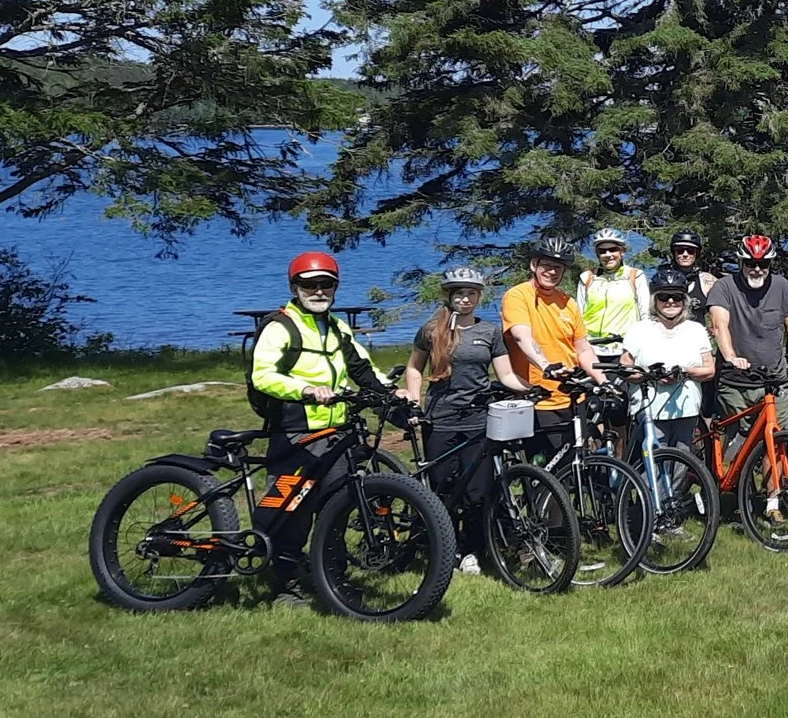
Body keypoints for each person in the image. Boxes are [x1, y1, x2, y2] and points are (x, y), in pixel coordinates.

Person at [246, 251, 397, 606]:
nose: (318, 291)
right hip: (295, 434)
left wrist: (393, 393)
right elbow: (263, 375)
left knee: (336, 510)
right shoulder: (279, 327)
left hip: (336, 435)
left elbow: (362, 369)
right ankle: (285, 586)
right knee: (292, 513)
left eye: (326, 284)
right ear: (294, 287)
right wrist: (307, 390)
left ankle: (331, 578)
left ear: (335, 288)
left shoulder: (336, 327)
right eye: (309, 285)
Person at [401, 265, 526, 571]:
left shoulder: (489, 331)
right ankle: (446, 547)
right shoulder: (432, 330)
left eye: (471, 294)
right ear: (450, 296)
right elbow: (415, 368)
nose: (466, 299)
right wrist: (414, 400)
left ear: (479, 296)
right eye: (460, 294)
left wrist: (530, 389)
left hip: (478, 421)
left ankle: (474, 549)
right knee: (443, 486)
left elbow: (505, 373)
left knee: (477, 491)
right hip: (440, 419)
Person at [501, 236, 605, 457]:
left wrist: (603, 380)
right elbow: (522, 337)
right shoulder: (518, 296)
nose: (552, 272)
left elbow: (583, 348)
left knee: (578, 466)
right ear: (533, 265)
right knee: (547, 474)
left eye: (558, 267)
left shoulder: (568, 302)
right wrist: (546, 365)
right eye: (546, 265)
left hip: (572, 397)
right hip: (539, 399)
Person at [707, 233, 788, 427]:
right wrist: (731, 357)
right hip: (736, 383)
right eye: (751, 263)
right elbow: (720, 325)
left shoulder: (781, 285)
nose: (757, 269)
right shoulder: (724, 287)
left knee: (775, 443)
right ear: (741, 262)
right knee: (740, 447)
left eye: (764, 264)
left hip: (775, 382)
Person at [620, 284, 714, 449]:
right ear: (654, 301)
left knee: (680, 467)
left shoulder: (696, 330)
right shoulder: (639, 329)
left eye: (677, 297)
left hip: (687, 410)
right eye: (663, 297)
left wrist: (686, 371)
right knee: (652, 467)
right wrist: (650, 376)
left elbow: (709, 370)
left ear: (684, 301)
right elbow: (624, 367)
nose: (670, 301)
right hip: (650, 410)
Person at [576, 228, 648, 354]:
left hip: (624, 348)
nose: (608, 254)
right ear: (598, 254)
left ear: (622, 251)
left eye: (613, 249)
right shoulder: (587, 277)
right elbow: (578, 314)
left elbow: (645, 313)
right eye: (602, 251)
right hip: (591, 347)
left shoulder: (635, 276)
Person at [659, 230, 720, 323]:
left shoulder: (707, 281)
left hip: (697, 335)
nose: (685, 254)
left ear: (697, 254)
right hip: (667, 335)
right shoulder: (660, 279)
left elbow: (722, 312)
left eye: (690, 251)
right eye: (680, 251)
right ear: (674, 253)